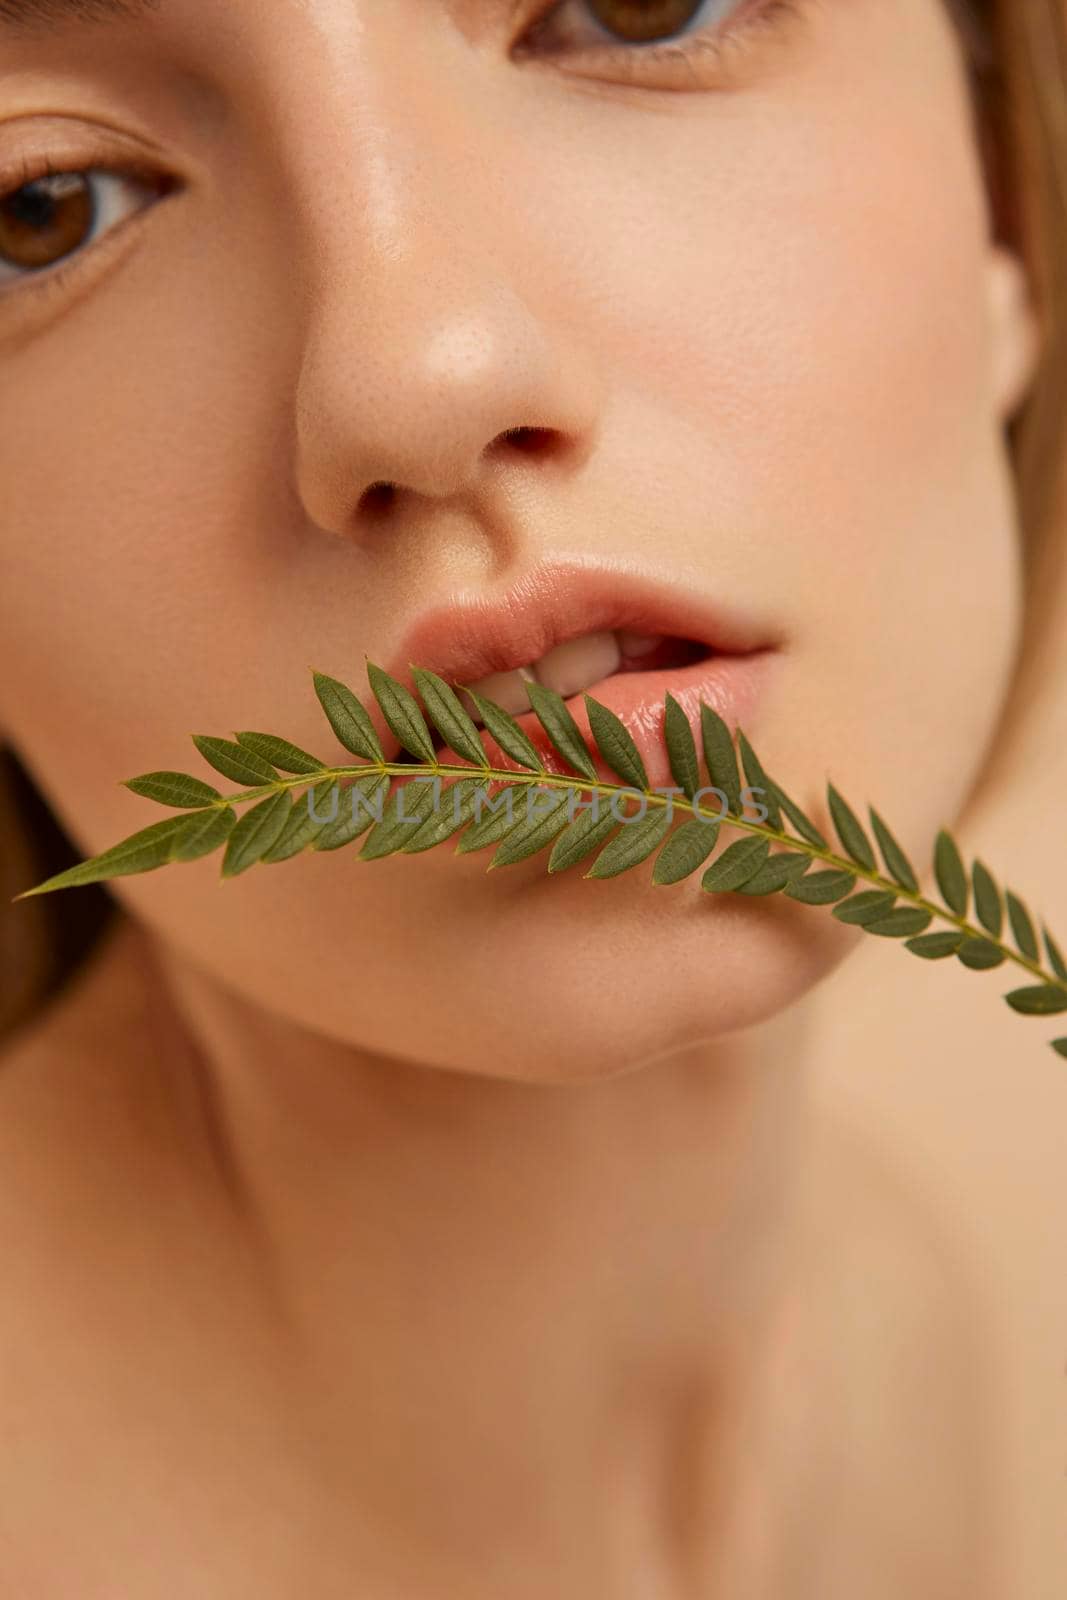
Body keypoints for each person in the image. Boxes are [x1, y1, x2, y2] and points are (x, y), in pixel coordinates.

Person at [0, 1, 1063, 1594]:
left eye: (635, 8)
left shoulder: (902, 1348)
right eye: (40, 206)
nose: (418, 371)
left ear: (1008, 219)